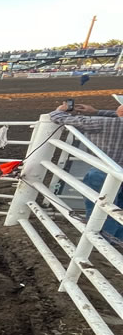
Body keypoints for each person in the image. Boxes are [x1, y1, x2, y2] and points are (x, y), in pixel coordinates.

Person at [49, 101, 123, 238]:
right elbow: (116, 115)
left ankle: (103, 239)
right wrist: (96, 111)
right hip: (120, 172)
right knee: (118, 208)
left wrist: (60, 109)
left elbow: (59, 118)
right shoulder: (105, 120)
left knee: (100, 207)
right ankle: (118, 238)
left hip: (104, 170)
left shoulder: (102, 123)